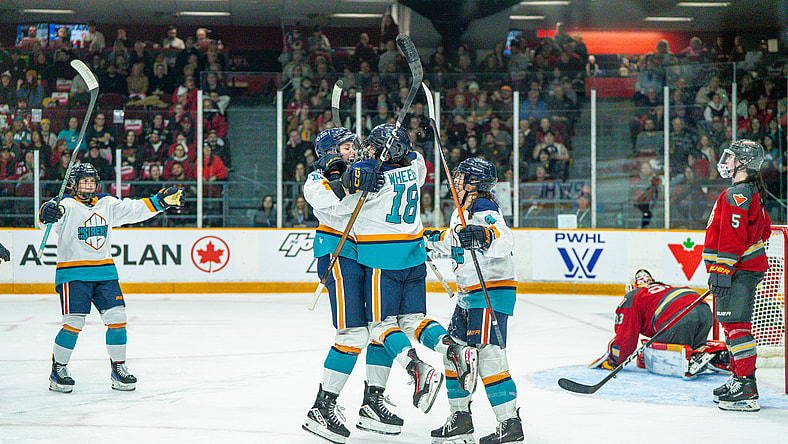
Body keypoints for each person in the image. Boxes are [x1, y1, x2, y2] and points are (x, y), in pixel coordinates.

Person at [351, 124, 477, 418]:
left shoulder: (371, 175)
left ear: (385, 152)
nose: (368, 150)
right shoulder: (415, 167)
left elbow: (353, 182)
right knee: (412, 321)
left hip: (382, 258)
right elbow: (413, 156)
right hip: (414, 256)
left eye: (373, 146)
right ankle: (454, 350)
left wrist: (359, 167)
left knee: (380, 327)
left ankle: (416, 368)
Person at [38, 163, 183, 393]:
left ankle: (118, 369)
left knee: (118, 319)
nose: (89, 186)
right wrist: (46, 213)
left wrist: (159, 202)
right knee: (73, 323)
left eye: (92, 181)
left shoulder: (107, 203)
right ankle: (58, 370)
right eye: (84, 181)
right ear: (73, 184)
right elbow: (46, 220)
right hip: (73, 273)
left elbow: (134, 209)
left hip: (105, 272)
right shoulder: (64, 204)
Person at [302, 128, 407, 443]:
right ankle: (322, 407)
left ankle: (373, 402)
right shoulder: (315, 180)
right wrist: (348, 183)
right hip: (338, 254)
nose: (354, 151)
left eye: (355, 146)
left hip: (369, 255)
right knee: (352, 333)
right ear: (330, 153)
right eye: (346, 147)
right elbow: (337, 205)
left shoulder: (367, 170)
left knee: (380, 327)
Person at [424, 157, 523, 444]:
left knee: (489, 357)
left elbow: (504, 238)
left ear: (475, 183)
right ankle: (460, 418)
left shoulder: (483, 207)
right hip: (469, 295)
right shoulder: (462, 209)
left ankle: (509, 422)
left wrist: (484, 235)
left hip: (490, 291)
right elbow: (453, 240)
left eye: (462, 177)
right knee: (454, 353)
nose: (455, 180)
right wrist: (427, 241)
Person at [703, 139, 771, 412]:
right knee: (733, 326)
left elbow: (732, 236)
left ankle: (745, 386)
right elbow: (764, 230)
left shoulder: (738, 194)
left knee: (737, 327)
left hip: (737, 272)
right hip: (741, 270)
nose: (727, 161)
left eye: (731, 157)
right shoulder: (750, 191)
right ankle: (738, 379)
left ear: (743, 162)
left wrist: (722, 269)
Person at [590, 269, 722, 378]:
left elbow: (626, 335)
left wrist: (614, 359)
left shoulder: (633, 296)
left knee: (653, 354)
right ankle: (707, 353)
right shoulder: (664, 289)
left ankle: (691, 359)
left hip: (678, 318)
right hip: (704, 310)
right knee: (693, 344)